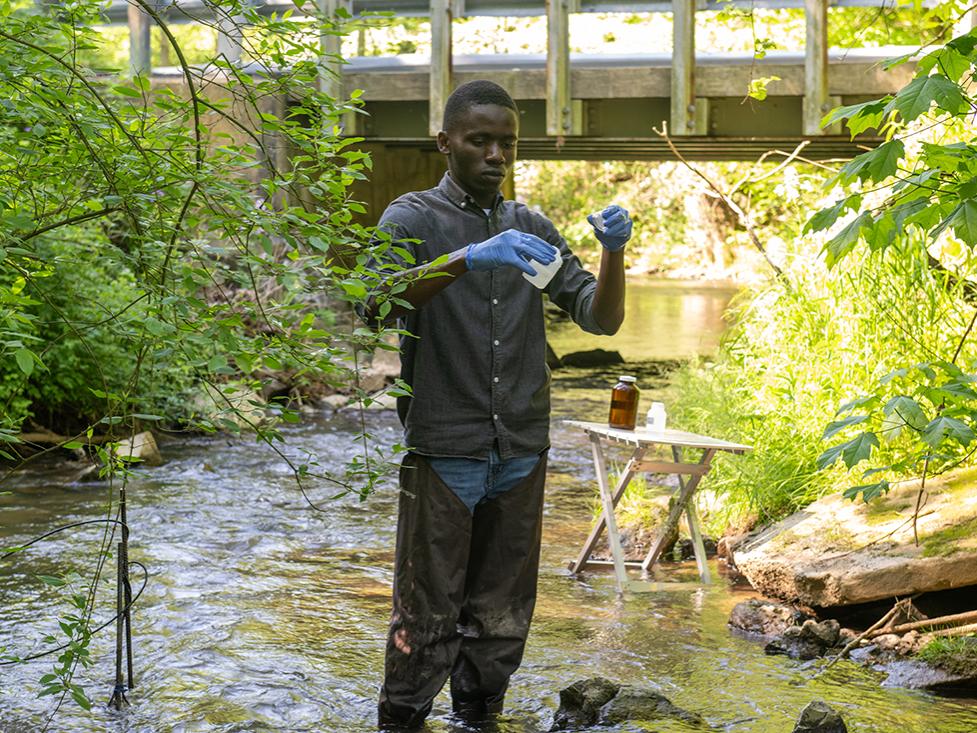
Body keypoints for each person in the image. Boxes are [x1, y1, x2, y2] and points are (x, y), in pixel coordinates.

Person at [361, 79, 632, 731]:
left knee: (503, 613)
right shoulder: (412, 219)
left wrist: (613, 251)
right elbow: (374, 303)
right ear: (444, 142)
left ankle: (480, 715)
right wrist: (466, 257)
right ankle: (400, 718)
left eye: (505, 142)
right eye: (478, 140)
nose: (494, 153)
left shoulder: (528, 230)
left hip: (519, 449)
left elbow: (598, 318)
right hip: (444, 449)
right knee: (424, 615)